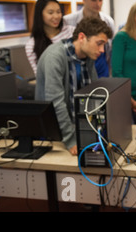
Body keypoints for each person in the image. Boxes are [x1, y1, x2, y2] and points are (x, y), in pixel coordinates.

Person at [35, 17, 113, 155]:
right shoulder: (55, 56)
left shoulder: (87, 58)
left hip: (77, 130)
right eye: (99, 43)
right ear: (82, 37)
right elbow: (56, 103)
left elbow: (93, 96)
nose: (102, 50)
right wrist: (71, 140)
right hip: (55, 136)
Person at [63, 0, 115, 77]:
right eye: (93, 0)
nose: (98, 4)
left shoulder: (109, 21)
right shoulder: (68, 21)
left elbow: (109, 50)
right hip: (78, 66)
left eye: (101, 0)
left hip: (101, 66)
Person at [25, 0, 75, 74]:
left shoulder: (72, 31)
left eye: (58, 12)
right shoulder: (31, 45)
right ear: (40, 14)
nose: (56, 16)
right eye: (50, 12)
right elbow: (39, 74)